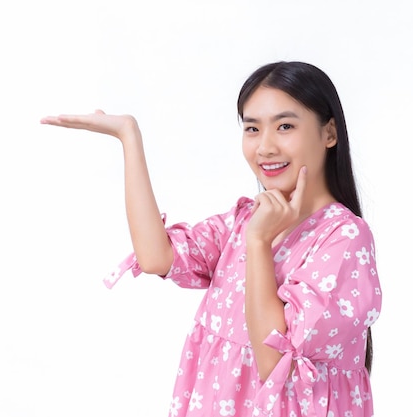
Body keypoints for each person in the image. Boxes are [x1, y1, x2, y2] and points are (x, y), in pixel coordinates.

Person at [40, 61, 382, 417]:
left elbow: (274, 361)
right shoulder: (246, 220)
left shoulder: (343, 238)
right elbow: (157, 256)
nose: (265, 147)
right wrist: (129, 137)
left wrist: (258, 243)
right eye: (252, 128)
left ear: (329, 133)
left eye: (285, 126)